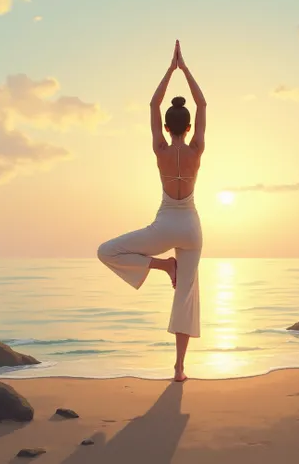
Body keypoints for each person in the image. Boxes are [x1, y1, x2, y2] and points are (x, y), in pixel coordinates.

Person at [97, 40, 206, 382]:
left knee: (107, 251)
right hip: (190, 227)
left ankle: (162, 265)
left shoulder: (159, 148)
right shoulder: (197, 149)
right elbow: (202, 103)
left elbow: (153, 103)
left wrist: (168, 69)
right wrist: (185, 69)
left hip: (164, 226)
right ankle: (179, 369)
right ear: (188, 127)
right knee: (185, 297)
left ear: (167, 128)